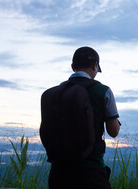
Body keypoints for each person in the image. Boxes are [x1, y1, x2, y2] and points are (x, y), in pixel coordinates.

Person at [48, 46, 120, 189]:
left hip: (58, 171)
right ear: (95, 65)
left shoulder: (55, 93)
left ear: (72, 66)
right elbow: (113, 132)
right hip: (91, 169)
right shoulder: (103, 91)